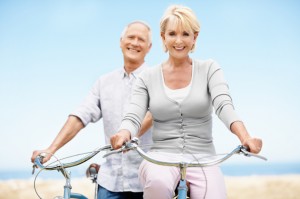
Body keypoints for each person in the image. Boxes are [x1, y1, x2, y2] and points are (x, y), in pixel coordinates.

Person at [110, 5, 263, 199]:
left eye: (185, 34)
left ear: (195, 38)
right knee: (158, 183)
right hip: (160, 157)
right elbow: (133, 115)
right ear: (163, 37)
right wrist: (123, 134)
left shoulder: (209, 69)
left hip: (203, 157)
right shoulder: (147, 77)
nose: (179, 40)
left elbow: (224, 106)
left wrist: (245, 137)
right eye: (172, 34)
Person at [31, 21, 153, 199]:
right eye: (130, 37)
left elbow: (154, 113)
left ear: (149, 47)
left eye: (141, 39)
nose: (135, 43)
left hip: (147, 179)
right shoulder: (104, 82)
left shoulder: (157, 78)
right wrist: (51, 149)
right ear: (121, 41)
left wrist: (128, 134)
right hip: (111, 181)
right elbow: (81, 115)